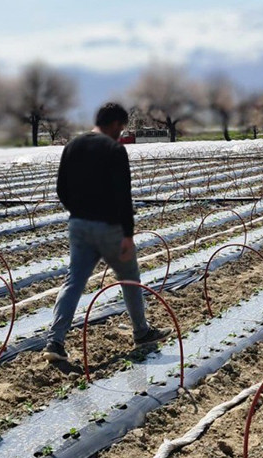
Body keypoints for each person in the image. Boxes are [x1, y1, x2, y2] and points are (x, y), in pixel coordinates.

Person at [42, 102, 170, 363]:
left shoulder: (72, 146)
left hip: (78, 225)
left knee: (74, 281)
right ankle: (141, 332)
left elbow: (61, 189)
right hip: (109, 227)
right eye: (121, 128)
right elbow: (123, 195)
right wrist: (128, 235)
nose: (121, 134)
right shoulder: (114, 150)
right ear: (114, 124)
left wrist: (77, 211)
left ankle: (55, 341)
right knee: (129, 278)